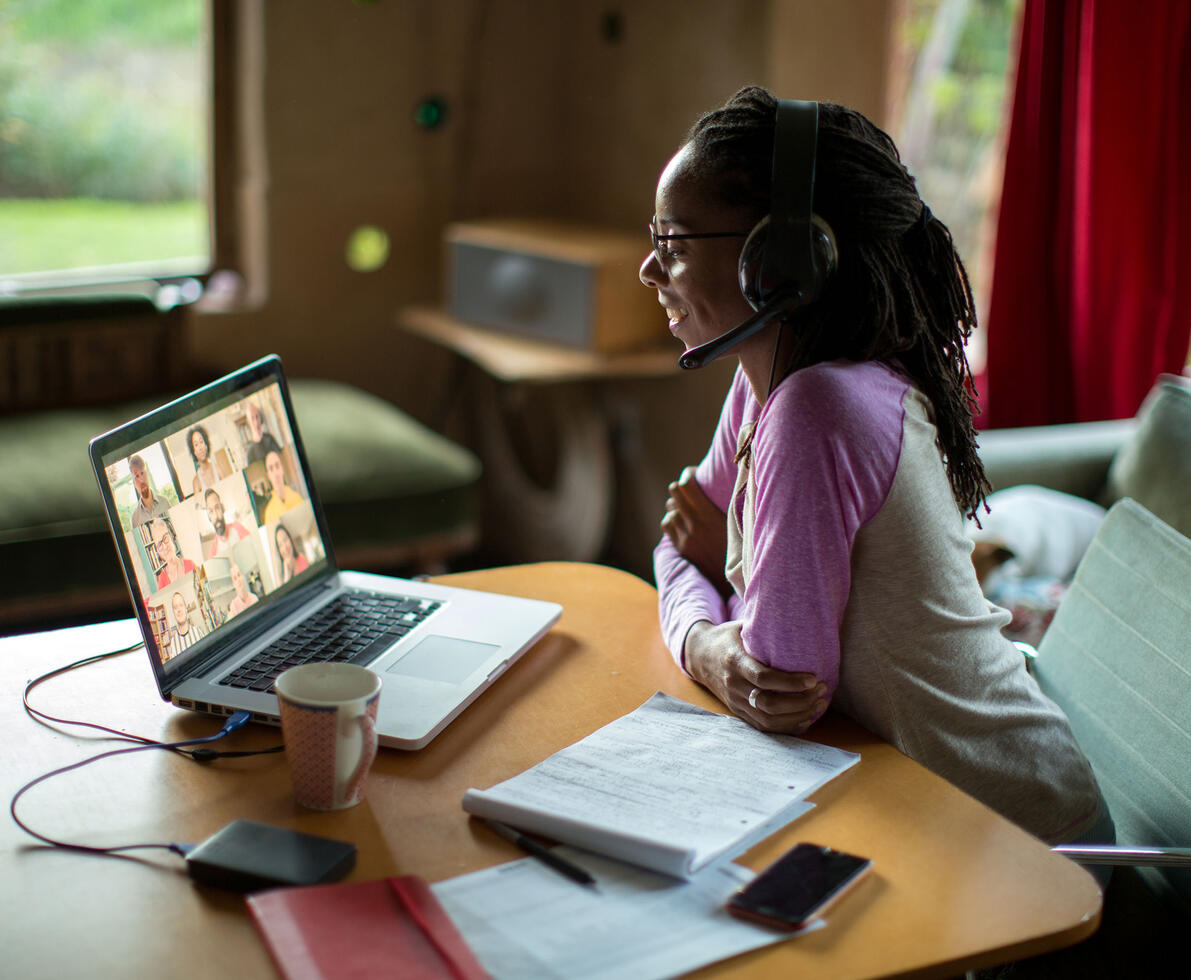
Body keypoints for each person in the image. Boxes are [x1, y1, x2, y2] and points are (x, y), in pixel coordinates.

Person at [644, 87, 1111, 853]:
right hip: (901, 792)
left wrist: (705, 622)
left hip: (1017, 835)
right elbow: (673, 541)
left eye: (674, 244)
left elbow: (778, 684)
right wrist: (708, 629)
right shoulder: (766, 380)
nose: (647, 269)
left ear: (778, 261)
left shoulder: (817, 407)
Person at [203, 488, 250, 559]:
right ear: (209, 517)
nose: (215, 516)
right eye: (211, 511)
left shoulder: (237, 528)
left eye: (217, 508)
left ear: (222, 508)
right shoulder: (213, 552)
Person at [150, 517, 196, 589]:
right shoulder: (162, 580)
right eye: (159, 544)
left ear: (171, 536)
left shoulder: (191, 564)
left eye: (165, 538)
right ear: (158, 552)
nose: (165, 547)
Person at [261, 449, 303, 525]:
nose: (276, 472)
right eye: (271, 468)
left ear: (282, 469)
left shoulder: (297, 498)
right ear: (269, 476)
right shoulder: (269, 513)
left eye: (277, 466)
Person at [161, 591, 206, 659]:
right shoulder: (173, 643)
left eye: (181, 605)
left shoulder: (198, 631)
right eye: (175, 607)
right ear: (173, 613)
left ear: (186, 609)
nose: (179, 610)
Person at [128, 454, 169, 527]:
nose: (141, 480)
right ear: (134, 484)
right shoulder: (135, 518)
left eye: (142, 473)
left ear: (147, 475)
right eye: (136, 476)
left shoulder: (165, 502)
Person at [244, 400, 282, 466]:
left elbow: (281, 457)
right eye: (252, 418)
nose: (256, 421)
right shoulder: (250, 450)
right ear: (248, 422)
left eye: (257, 416)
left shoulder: (270, 438)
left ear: (260, 417)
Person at [187, 424, 220, 496]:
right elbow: (199, 506)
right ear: (194, 451)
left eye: (201, 442)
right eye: (196, 445)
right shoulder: (196, 482)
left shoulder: (218, 468)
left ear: (206, 445)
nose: (200, 448)